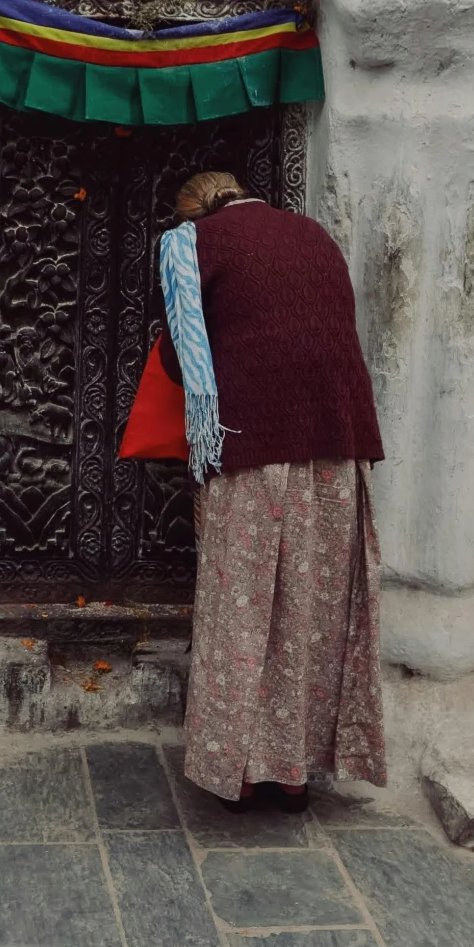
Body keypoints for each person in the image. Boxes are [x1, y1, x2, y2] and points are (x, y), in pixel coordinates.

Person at [154, 171, 385, 811]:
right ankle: (294, 773)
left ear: (194, 211)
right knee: (312, 612)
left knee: (247, 604)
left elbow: (182, 356)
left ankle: (244, 771)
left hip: (255, 444)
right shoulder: (314, 234)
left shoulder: (191, 244)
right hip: (339, 446)